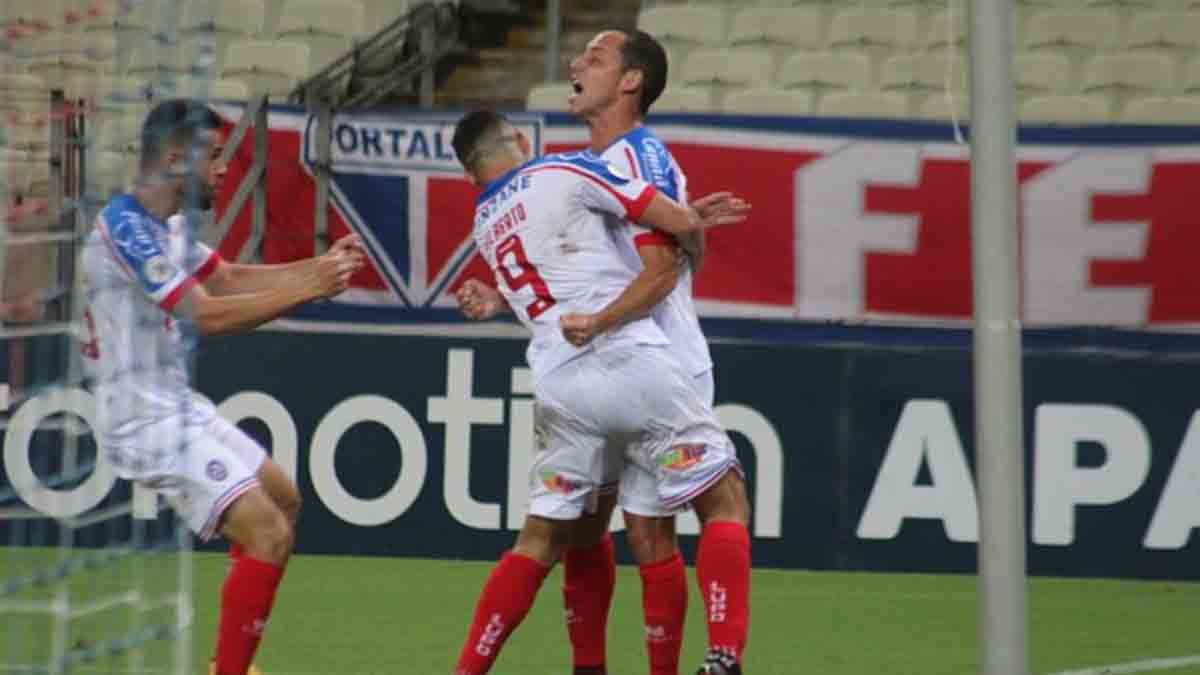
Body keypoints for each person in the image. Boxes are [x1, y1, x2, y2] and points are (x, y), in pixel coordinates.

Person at [459, 28, 743, 675]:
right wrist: (507, 300)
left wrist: (680, 230)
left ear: (631, 81)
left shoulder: (638, 153)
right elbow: (601, 253)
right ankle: (655, 662)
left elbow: (661, 263)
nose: (575, 63)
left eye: (596, 57)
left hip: (651, 350)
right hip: (613, 358)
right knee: (600, 526)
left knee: (640, 531)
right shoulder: (576, 164)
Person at [80, 99, 365, 675]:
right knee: (265, 531)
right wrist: (309, 286)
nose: (222, 170)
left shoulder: (170, 225)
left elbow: (228, 275)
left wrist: (317, 266)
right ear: (173, 156)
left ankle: (232, 659)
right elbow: (205, 316)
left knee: (283, 501)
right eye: (212, 156)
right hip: (140, 418)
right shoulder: (125, 228)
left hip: (177, 406)